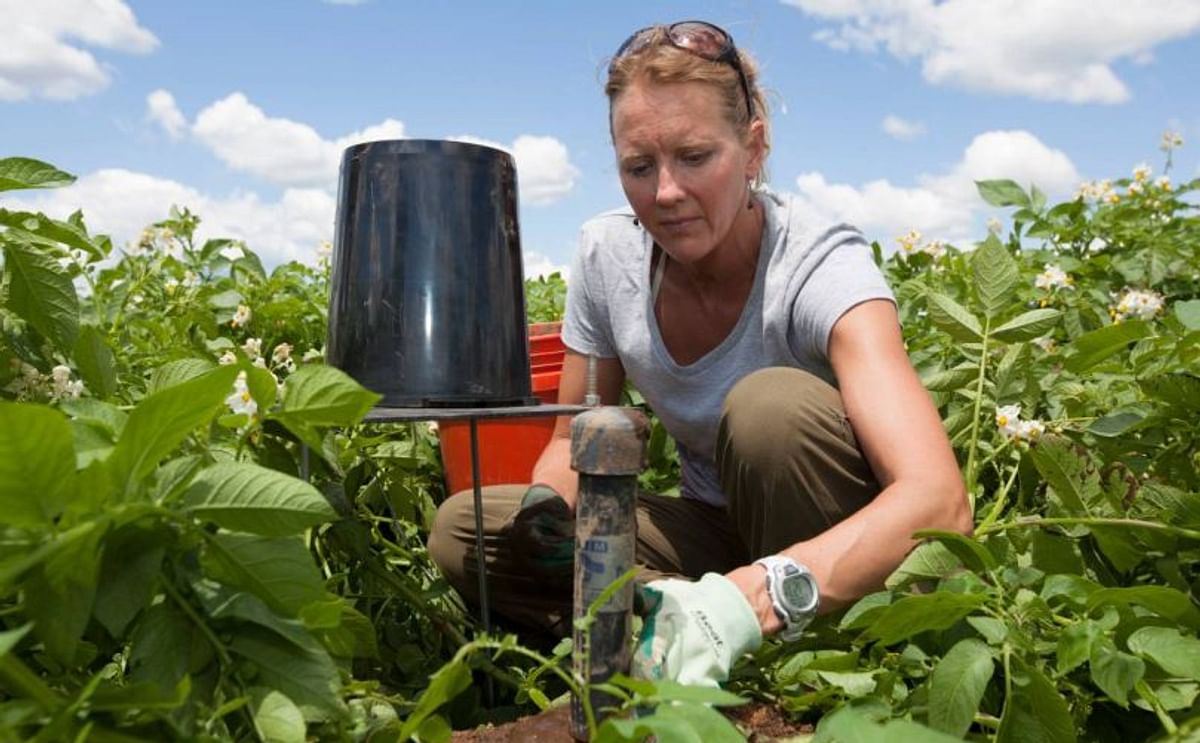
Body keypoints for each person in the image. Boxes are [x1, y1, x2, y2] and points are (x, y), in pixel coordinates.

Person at [428, 20, 971, 688]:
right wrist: (549, 516)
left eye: (694, 156)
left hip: (835, 530)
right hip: (713, 531)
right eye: (638, 166)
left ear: (753, 149)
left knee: (771, 410)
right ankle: (677, 629)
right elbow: (573, 436)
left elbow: (940, 502)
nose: (665, 194)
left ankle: (816, 654)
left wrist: (757, 594)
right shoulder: (609, 258)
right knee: (470, 527)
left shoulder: (820, 266)